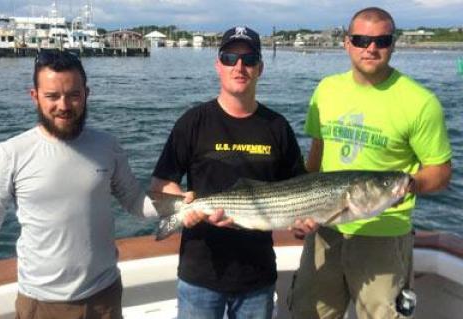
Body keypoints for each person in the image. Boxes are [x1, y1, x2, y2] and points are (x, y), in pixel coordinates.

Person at [287, 7, 452, 319]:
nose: (371, 48)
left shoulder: (421, 102)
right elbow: (315, 160)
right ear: (347, 43)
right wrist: (300, 210)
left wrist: (411, 184)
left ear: (393, 43)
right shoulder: (326, 90)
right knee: (308, 313)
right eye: (362, 40)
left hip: (385, 237)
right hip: (326, 230)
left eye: (382, 40)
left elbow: (441, 172)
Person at [0, 50, 166, 319]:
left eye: (73, 95)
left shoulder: (107, 146)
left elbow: (136, 203)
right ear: (34, 96)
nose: (64, 105)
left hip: (104, 298)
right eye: (52, 96)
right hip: (40, 303)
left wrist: (178, 205)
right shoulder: (11, 152)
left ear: (86, 94)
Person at [150, 26, 306, 319]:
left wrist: (303, 223)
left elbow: (299, 190)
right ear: (217, 64)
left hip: (257, 277)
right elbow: (162, 182)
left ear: (260, 67)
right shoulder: (193, 121)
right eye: (230, 57)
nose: (239, 66)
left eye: (248, 59)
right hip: (200, 275)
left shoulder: (277, 126)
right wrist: (184, 205)